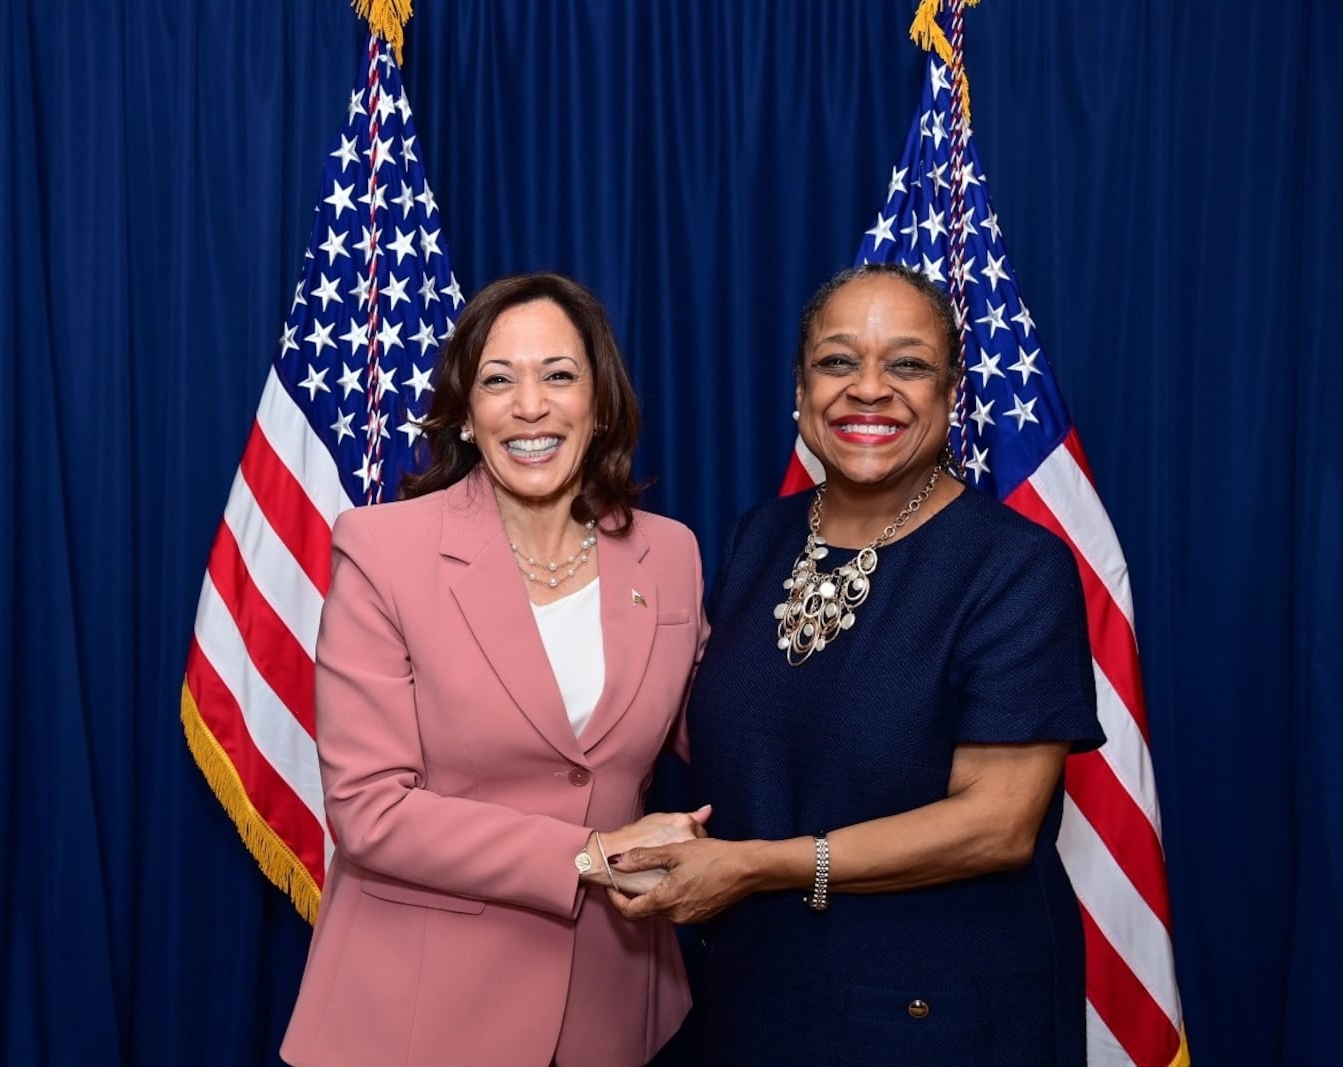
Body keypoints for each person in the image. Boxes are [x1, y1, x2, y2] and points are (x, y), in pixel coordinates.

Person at [611, 263, 1105, 1065]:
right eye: (838, 361)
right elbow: (726, 743)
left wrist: (753, 866)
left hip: (938, 1012)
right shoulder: (755, 540)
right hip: (760, 994)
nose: (868, 388)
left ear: (952, 397)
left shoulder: (1015, 566)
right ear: (801, 393)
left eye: (907, 364)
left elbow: (998, 826)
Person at [280, 272, 709, 1067]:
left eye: (558, 375)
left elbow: (725, 732)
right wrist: (591, 854)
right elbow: (370, 809)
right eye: (498, 380)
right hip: (417, 1014)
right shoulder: (383, 550)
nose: (530, 406)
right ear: (469, 416)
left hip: (610, 1010)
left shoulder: (671, 553)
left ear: (601, 402)